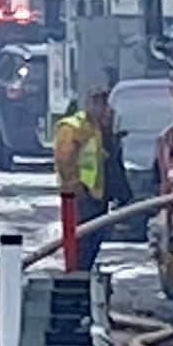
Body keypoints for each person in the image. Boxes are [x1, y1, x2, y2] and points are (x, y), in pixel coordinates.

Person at [53, 86, 120, 268]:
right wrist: (74, 186)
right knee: (81, 240)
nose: (102, 109)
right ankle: (77, 271)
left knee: (94, 238)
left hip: (97, 195)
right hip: (79, 195)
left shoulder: (100, 129)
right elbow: (64, 161)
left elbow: (108, 160)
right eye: (97, 103)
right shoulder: (73, 127)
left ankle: (85, 269)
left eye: (104, 104)